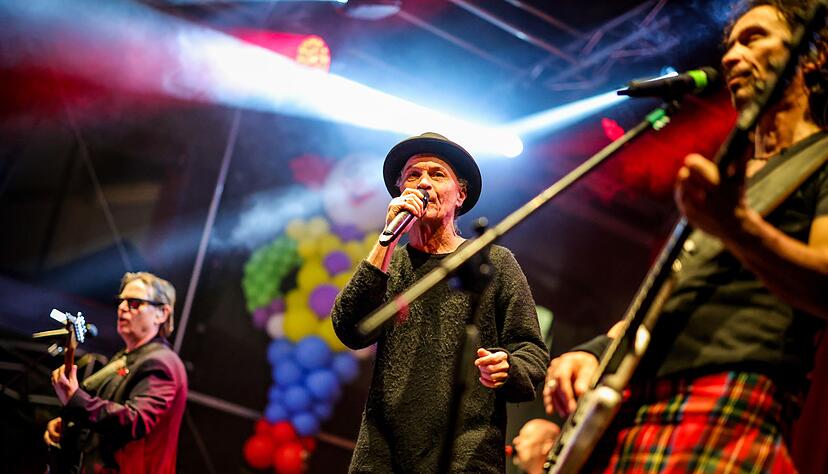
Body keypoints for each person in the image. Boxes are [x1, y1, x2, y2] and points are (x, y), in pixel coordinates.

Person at [543, 0, 828, 472]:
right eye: (730, 44)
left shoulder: (820, 159)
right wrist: (594, 353)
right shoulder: (728, 179)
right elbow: (669, 297)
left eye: (753, 38)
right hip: (637, 401)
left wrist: (738, 227)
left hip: (725, 390)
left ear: (813, 54)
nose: (732, 56)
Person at [332, 132, 549, 473]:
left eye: (437, 174)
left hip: (466, 456)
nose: (423, 184)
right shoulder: (390, 264)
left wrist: (508, 365)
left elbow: (532, 350)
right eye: (413, 175)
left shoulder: (492, 261)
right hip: (382, 456)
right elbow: (349, 327)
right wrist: (386, 238)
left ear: (460, 194)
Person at [45, 272, 188, 473]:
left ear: (162, 313)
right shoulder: (127, 356)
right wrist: (70, 425)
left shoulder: (162, 362)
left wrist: (76, 401)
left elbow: (135, 420)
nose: (122, 308)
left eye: (135, 303)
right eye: (121, 302)